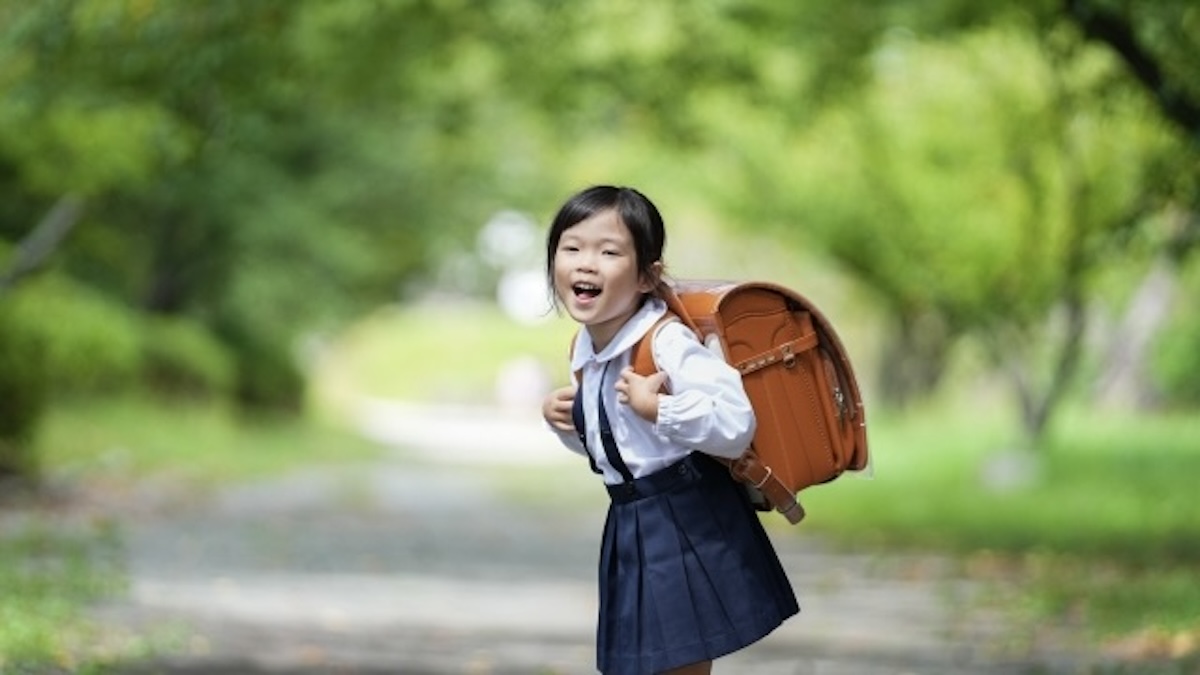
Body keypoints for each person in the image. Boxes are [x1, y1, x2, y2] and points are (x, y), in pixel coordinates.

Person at [541, 185, 799, 675]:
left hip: (686, 517)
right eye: (571, 248)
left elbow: (735, 423)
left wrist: (661, 408)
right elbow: (619, 448)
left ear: (646, 276)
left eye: (609, 251)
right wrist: (565, 423)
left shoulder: (666, 342)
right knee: (636, 665)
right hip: (631, 520)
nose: (586, 263)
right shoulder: (587, 351)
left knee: (679, 666)